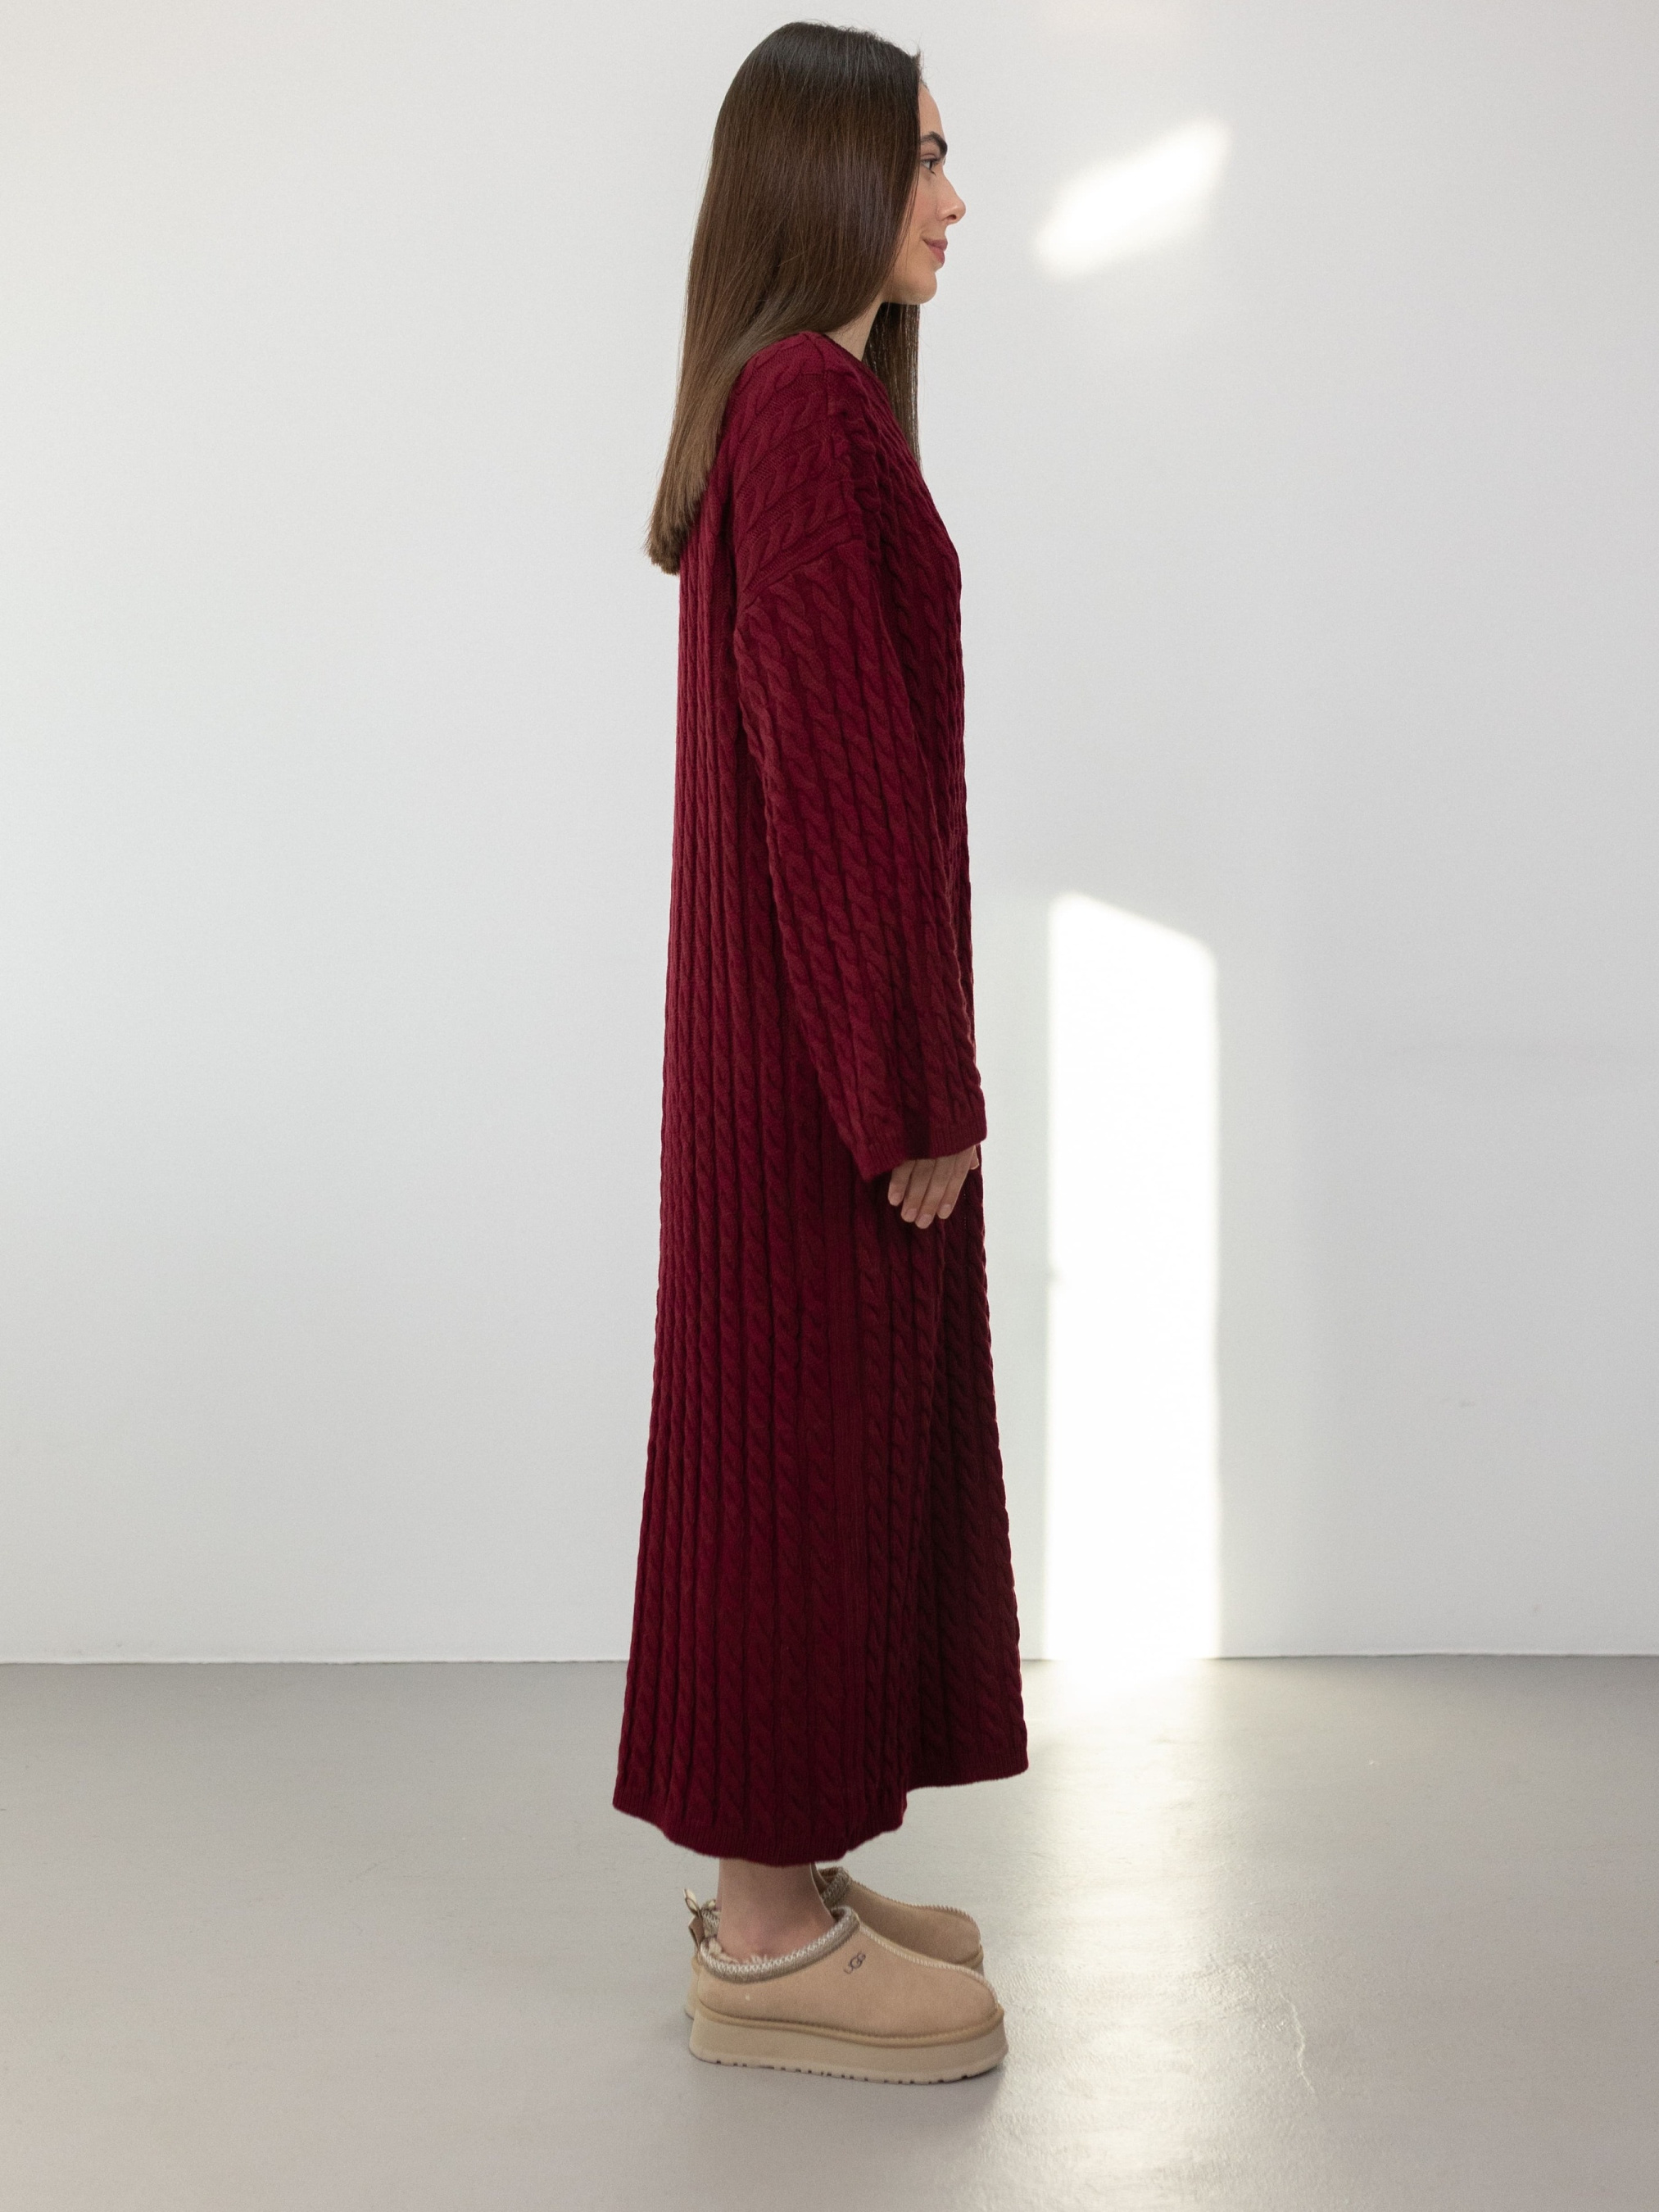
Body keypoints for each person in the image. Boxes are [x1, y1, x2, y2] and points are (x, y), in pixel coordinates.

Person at [612, 20, 1027, 2083]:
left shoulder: (797, 405)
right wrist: (909, 1091)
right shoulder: (799, 406)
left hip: (786, 1054)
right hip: (811, 1076)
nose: (953, 197)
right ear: (827, 177)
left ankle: (788, 1883)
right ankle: (767, 1948)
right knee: (794, 1467)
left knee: (824, 1456)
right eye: (922, 156)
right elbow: (837, 782)